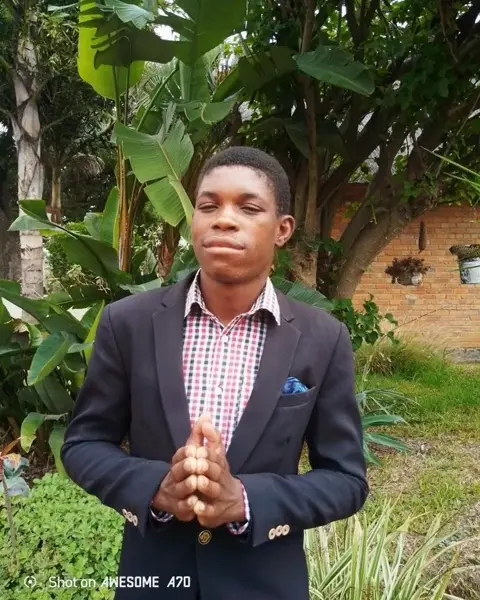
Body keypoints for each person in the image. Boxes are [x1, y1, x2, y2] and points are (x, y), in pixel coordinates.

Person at [60, 146, 368, 600]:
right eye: (208, 206)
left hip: (264, 586)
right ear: (194, 222)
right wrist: (156, 490)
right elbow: (83, 444)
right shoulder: (127, 324)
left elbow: (346, 479)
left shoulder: (323, 339)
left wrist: (244, 500)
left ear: (282, 229)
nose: (224, 220)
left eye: (248, 208)